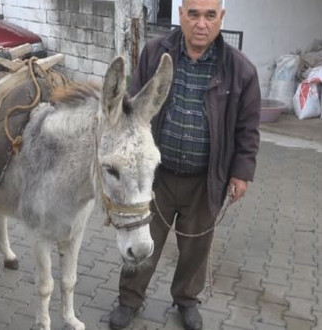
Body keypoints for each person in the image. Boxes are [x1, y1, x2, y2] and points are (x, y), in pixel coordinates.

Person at [108, 0, 261, 329]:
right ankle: (129, 299)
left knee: (195, 247)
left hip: (206, 178)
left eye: (209, 15)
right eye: (193, 14)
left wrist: (241, 172)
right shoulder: (155, 53)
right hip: (156, 178)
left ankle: (186, 300)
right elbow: (133, 108)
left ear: (221, 18)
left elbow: (248, 130)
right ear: (181, 16)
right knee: (143, 241)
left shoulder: (241, 70)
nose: (201, 23)